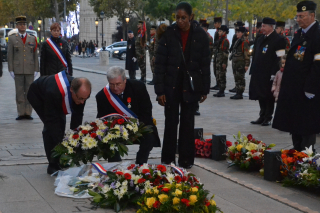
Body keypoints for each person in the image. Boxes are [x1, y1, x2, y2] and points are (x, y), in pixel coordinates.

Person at [154, 2, 211, 169]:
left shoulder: (200, 35)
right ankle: (168, 159)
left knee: (188, 123)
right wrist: (160, 91)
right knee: (171, 122)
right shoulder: (169, 33)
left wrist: (205, 88)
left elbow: (205, 64)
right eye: (177, 17)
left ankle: (186, 160)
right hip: (171, 85)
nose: (180, 21)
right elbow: (160, 65)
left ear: (191, 17)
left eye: (183, 18)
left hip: (191, 86)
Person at [273, 1, 320, 151]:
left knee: (306, 127)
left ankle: (305, 161)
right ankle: (295, 157)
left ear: (312, 15)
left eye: (302, 16)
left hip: (307, 89)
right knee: (295, 125)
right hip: (294, 89)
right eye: (297, 16)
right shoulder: (300, 33)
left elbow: (318, 64)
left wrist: (311, 87)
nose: (298, 19)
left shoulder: (317, 35)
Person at [27, 71, 91, 174]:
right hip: (38, 95)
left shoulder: (82, 92)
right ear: (71, 90)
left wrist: (74, 139)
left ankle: (61, 159)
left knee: (61, 124)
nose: (82, 102)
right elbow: (52, 122)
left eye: (85, 99)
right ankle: (53, 164)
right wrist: (62, 145)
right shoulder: (53, 92)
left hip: (56, 95)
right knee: (52, 128)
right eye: (80, 99)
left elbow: (77, 116)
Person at [95, 66, 161, 165]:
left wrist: (135, 130)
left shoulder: (138, 87)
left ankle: (140, 163)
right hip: (116, 130)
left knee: (150, 135)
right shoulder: (102, 96)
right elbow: (102, 119)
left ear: (125, 80)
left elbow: (146, 111)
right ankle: (114, 164)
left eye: (118, 84)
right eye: (112, 84)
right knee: (104, 138)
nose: (115, 88)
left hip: (140, 125)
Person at [249, 17, 286, 126]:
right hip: (258, 72)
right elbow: (256, 55)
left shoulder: (278, 40)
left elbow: (280, 58)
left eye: (264, 26)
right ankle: (262, 115)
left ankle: (268, 117)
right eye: (262, 26)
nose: (262, 28)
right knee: (260, 95)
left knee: (268, 96)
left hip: (269, 73)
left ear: (271, 27)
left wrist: (274, 73)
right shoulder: (260, 38)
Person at [8, 16, 39, 120]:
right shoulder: (13, 38)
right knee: (20, 91)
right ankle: (21, 113)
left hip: (30, 69)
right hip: (18, 69)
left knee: (29, 91)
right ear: (17, 26)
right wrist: (11, 69)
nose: (23, 26)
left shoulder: (32, 38)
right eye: (20, 24)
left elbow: (35, 55)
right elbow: (10, 55)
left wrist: (36, 69)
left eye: (24, 24)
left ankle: (28, 113)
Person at [229, 26, 250, 100]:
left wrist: (247, 64)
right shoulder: (238, 40)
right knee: (236, 77)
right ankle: (237, 91)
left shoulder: (244, 42)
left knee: (240, 78)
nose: (237, 33)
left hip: (240, 63)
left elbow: (246, 54)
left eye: (238, 32)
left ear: (242, 33)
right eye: (236, 32)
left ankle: (240, 92)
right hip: (236, 62)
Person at [213, 25, 230, 98]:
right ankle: (220, 89)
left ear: (224, 32)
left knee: (222, 76)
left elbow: (225, 53)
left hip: (221, 61)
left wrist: (224, 63)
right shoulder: (220, 40)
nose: (219, 32)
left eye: (220, 31)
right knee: (218, 75)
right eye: (219, 31)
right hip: (218, 60)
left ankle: (222, 90)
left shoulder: (225, 41)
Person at [229, 21, 245, 93]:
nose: (236, 29)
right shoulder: (235, 36)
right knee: (236, 74)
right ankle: (237, 87)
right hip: (235, 57)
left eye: (238, 27)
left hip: (240, 58)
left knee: (240, 75)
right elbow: (233, 44)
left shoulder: (243, 37)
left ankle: (239, 89)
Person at [211, 17, 222, 90]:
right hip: (216, 53)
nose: (214, 24)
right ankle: (217, 83)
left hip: (219, 53)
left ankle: (220, 84)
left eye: (216, 23)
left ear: (219, 23)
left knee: (219, 70)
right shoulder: (216, 31)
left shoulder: (220, 32)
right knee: (215, 69)